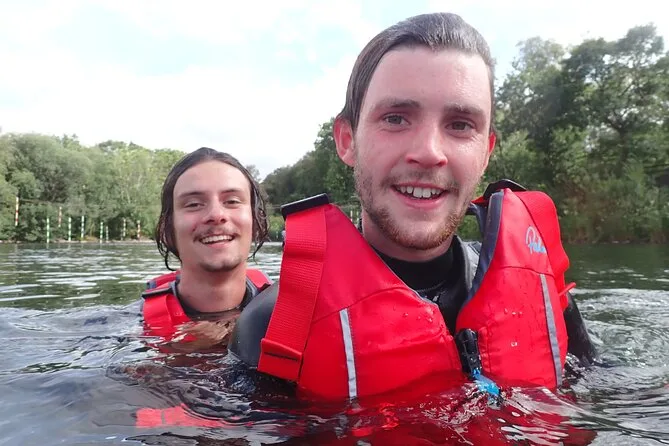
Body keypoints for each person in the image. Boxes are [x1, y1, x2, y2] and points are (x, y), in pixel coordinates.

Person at [229, 12, 597, 404]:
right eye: (396, 118)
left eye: (460, 125)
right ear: (347, 140)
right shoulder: (273, 329)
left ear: (486, 153)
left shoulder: (545, 295)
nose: (429, 152)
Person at [141, 147, 272, 350]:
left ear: (256, 221)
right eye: (194, 204)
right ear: (167, 229)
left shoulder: (293, 313)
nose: (216, 215)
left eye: (232, 201)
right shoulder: (127, 330)